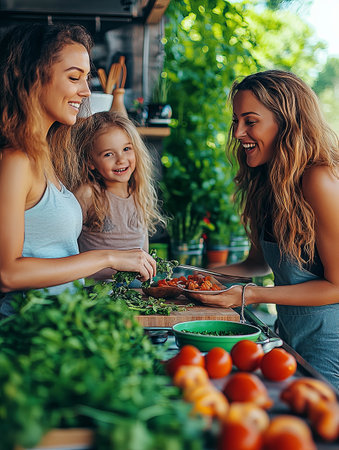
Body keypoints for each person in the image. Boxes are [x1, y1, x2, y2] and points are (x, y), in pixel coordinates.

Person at [194, 70, 339, 389]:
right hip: (289, 339)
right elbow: (257, 263)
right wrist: (196, 279)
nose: (238, 133)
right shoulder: (266, 182)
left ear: (286, 122)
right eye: (236, 121)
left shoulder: (319, 180)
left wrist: (249, 294)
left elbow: (336, 285)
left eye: (250, 121)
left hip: (330, 348)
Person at [0, 23, 156, 316]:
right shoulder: (15, 160)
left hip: (62, 323)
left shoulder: (47, 155)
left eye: (86, 78)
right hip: (27, 330)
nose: (86, 91)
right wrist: (108, 257)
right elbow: (7, 274)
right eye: (74, 77)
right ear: (33, 77)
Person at [73, 111, 165, 281]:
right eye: (108, 154)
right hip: (94, 290)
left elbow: (143, 251)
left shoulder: (139, 193)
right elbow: (68, 247)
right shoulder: (88, 194)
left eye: (126, 149)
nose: (121, 159)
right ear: (90, 162)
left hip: (132, 288)